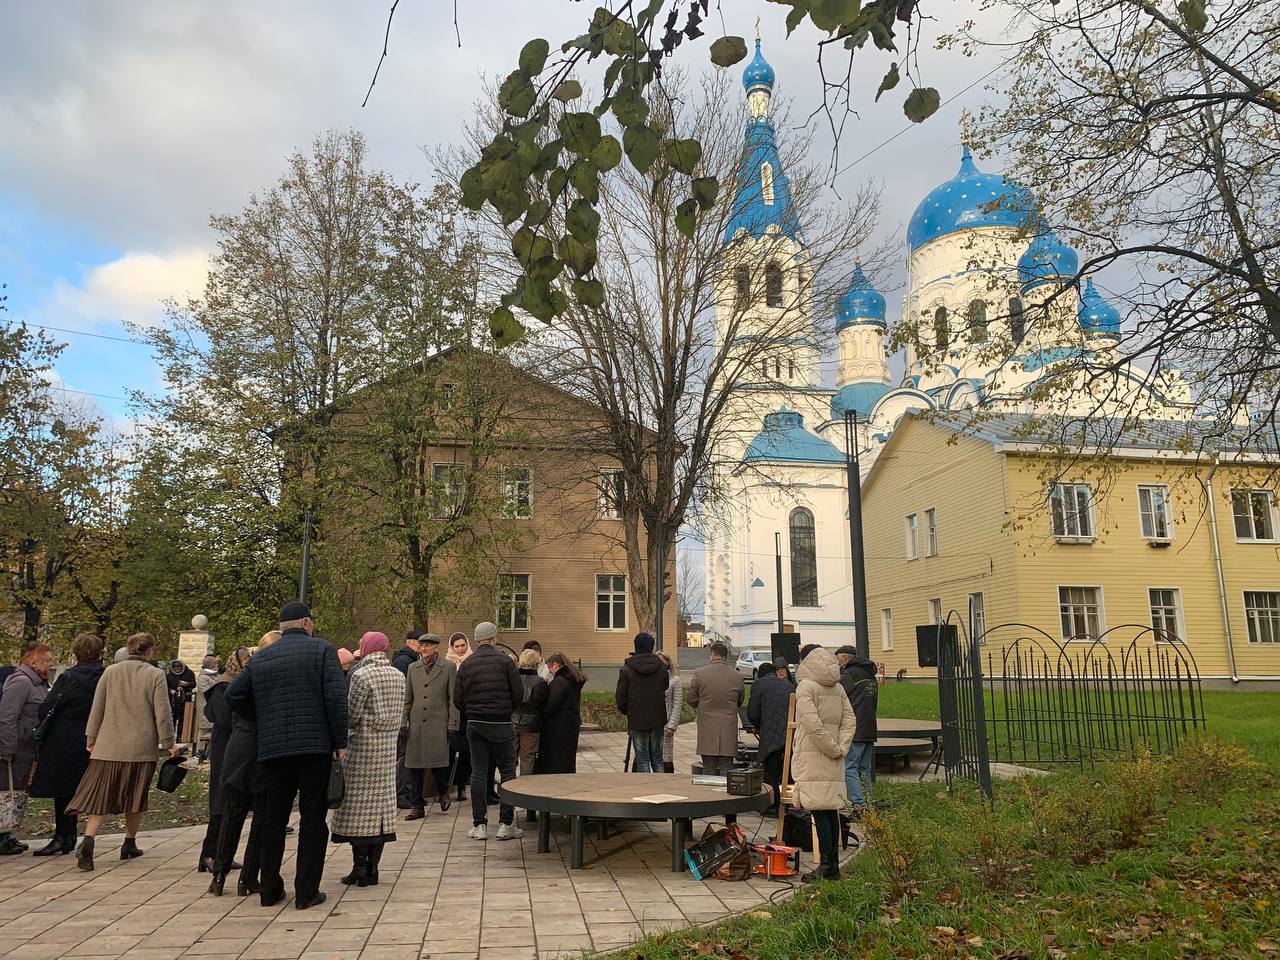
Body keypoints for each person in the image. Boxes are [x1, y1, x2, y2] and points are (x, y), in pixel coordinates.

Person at [226, 602, 347, 910]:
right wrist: (339, 741)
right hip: (314, 747)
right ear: (306, 622)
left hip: (272, 750)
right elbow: (335, 698)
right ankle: (306, 892)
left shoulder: (261, 656)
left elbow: (234, 695)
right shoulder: (322, 651)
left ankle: (270, 889)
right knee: (312, 819)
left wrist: (263, 719)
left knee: (272, 818)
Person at [69, 632, 178, 872]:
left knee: (100, 795)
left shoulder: (110, 672)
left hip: (108, 746)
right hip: (140, 748)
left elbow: (97, 706)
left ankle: (88, 840)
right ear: (149, 652)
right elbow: (163, 713)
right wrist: (169, 742)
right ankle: (129, 841)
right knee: (135, 795)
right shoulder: (155, 675)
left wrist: (91, 737)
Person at [208, 630, 280, 897]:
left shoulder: (248, 671)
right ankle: (248, 877)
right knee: (261, 815)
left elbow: (233, 695)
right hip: (261, 746)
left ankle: (219, 873)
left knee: (233, 814)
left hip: (240, 747)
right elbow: (233, 696)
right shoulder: (268, 672)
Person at [331, 632, 405, 888]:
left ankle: (359, 868)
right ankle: (373, 868)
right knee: (381, 812)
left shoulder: (361, 676)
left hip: (363, 749)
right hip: (387, 750)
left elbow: (351, 714)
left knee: (359, 813)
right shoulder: (399, 675)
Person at [29, 634, 105, 856]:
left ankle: (64, 835)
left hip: (63, 738)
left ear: (75, 652)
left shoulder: (68, 678)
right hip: (95, 736)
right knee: (89, 787)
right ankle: (87, 834)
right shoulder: (106, 676)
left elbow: (48, 706)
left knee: (63, 789)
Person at [455, 621, 524, 841]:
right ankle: (506, 824)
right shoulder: (506, 662)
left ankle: (479, 825)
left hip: (475, 723)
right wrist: (505, 710)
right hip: (501, 723)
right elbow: (518, 694)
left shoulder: (466, 664)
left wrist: (472, 711)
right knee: (507, 771)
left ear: (476, 640)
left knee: (478, 772)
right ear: (494, 639)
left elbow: (457, 698)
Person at [792, 647, 856, 883]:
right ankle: (833, 865)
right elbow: (850, 720)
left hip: (814, 755)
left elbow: (811, 723)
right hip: (834, 756)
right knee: (829, 809)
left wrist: (831, 747)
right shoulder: (838, 688)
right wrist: (841, 747)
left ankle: (826, 867)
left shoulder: (805, 687)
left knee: (819, 810)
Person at [197, 647, 249, 874]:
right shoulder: (224, 686)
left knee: (227, 798)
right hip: (225, 746)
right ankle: (210, 852)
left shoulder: (230, 684)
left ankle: (217, 852)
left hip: (230, 744)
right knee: (221, 798)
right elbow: (219, 715)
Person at [0, 643, 53, 855]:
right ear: (33, 662)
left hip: (27, 747)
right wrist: (7, 747)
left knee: (17, 793)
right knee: (6, 792)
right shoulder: (21, 682)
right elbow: (7, 715)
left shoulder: (37, 683)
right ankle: (3, 837)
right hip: (15, 748)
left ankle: (8, 835)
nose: (51, 664)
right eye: (47, 660)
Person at [402, 633, 456, 821]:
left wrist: (452, 723)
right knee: (414, 767)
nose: (422, 649)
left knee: (438, 765)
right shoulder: (412, 668)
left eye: (426, 646)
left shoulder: (448, 667)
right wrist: (403, 721)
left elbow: (453, 699)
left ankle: (442, 792)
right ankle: (417, 805)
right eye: (421, 645)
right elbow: (408, 698)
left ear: (435, 647)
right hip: (416, 723)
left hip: (438, 722)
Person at [686, 641, 744, 776]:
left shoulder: (700, 674)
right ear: (726, 657)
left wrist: (700, 704)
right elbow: (739, 701)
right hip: (728, 729)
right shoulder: (737, 676)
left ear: (712, 655)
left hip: (707, 729)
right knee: (726, 770)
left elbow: (690, 699)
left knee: (708, 769)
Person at [747, 657, 796, 814]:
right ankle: (787, 805)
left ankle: (771, 806)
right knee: (787, 770)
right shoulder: (789, 685)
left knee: (770, 772)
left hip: (770, 735)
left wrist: (758, 726)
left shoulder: (759, 684)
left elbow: (752, 713)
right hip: (790, 733)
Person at [615, 632, 669, 773]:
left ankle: (646, 790)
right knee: (657, 758)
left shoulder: (627, 669)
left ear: (636, 646)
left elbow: (621, 696)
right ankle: (661, 787)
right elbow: (665, 687)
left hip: (637, 717)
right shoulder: (662, 668)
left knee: (642, 759)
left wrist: (627, 711)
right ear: (651, 647)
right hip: (658, 716)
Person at [836, 645, 878, 811]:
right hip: (869, 727)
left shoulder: (848, 675)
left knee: (850, 767)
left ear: (845, 659)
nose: (837, 663)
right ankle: (869, 801)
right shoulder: (870, 674)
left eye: (838, 659)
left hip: (855, 728)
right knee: (865, 768)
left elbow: (838, 695)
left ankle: (859, 805)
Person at [534, 654, 587, 775]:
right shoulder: (572, 678)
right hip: (570, 723)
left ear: (555, 665)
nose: (549, 671)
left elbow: (552, 704)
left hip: (558, 725)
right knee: (567, 757)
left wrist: (543, 714)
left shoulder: (559, 681)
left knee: (557, 758)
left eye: (549, 667)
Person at [512, 649, 548, 821]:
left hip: (511, 722)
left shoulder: (513, 680)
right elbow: (542, 704)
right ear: (536, 663)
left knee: (509, 760)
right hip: (532, 725)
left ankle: (509, 794)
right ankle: (524, 799)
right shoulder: (541, 682)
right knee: (528, 760)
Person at [445, 632, 473, 801]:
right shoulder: (447, 662)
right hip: (451, 712)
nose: (461, 649)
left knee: (466, 752)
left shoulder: (473, 660)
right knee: (448, 751)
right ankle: (446, 787)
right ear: (452, 647)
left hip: (467, 712)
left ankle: (462, 785)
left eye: (463, 645)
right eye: (457, 646)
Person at [657, 651, 682, 773]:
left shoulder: (675, 680)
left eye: (663, 661)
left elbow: (677, 704)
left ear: (668, 662)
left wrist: (672, 725)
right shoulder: (652, 678)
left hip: (667, 723)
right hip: (653, 722)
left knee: (666, 758)